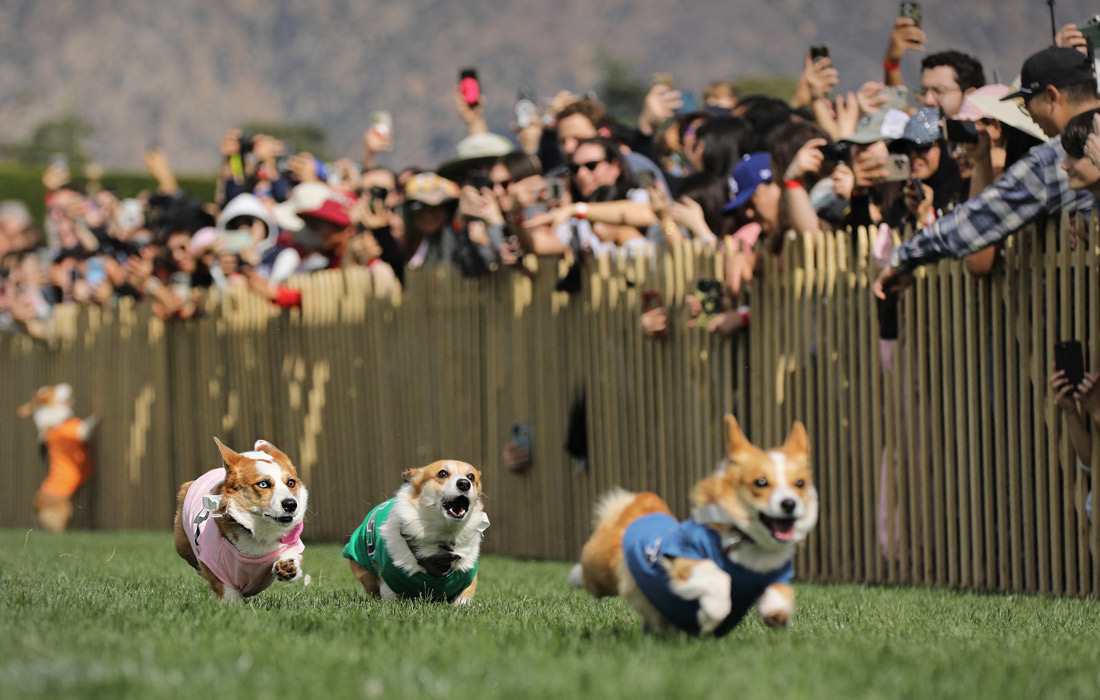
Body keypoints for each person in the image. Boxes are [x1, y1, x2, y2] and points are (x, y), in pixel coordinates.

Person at [874, 47, 1099, 299]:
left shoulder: (1055, 158)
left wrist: (904, 258)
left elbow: (979, 219)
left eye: (1026, 105)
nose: (1030, 117)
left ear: (1050, 96)